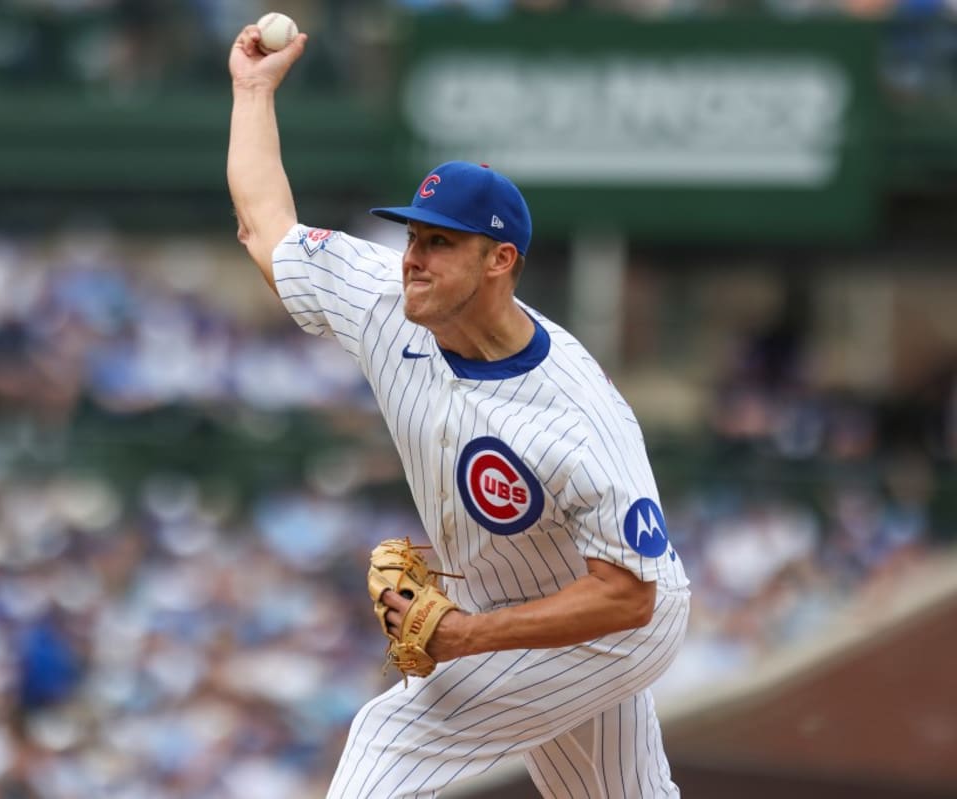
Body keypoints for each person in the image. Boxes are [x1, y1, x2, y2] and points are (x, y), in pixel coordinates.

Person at [227, 23, 691, 799]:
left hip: (621, 623)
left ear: (499, 259)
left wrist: (466, 635)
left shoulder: (575, 412)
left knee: (395, 732)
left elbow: (629, 592)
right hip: (524, 607)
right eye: (413, 235)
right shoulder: (385, 300)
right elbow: (263, 226)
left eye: (440, 242)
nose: (412, 257)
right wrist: (252, 91)